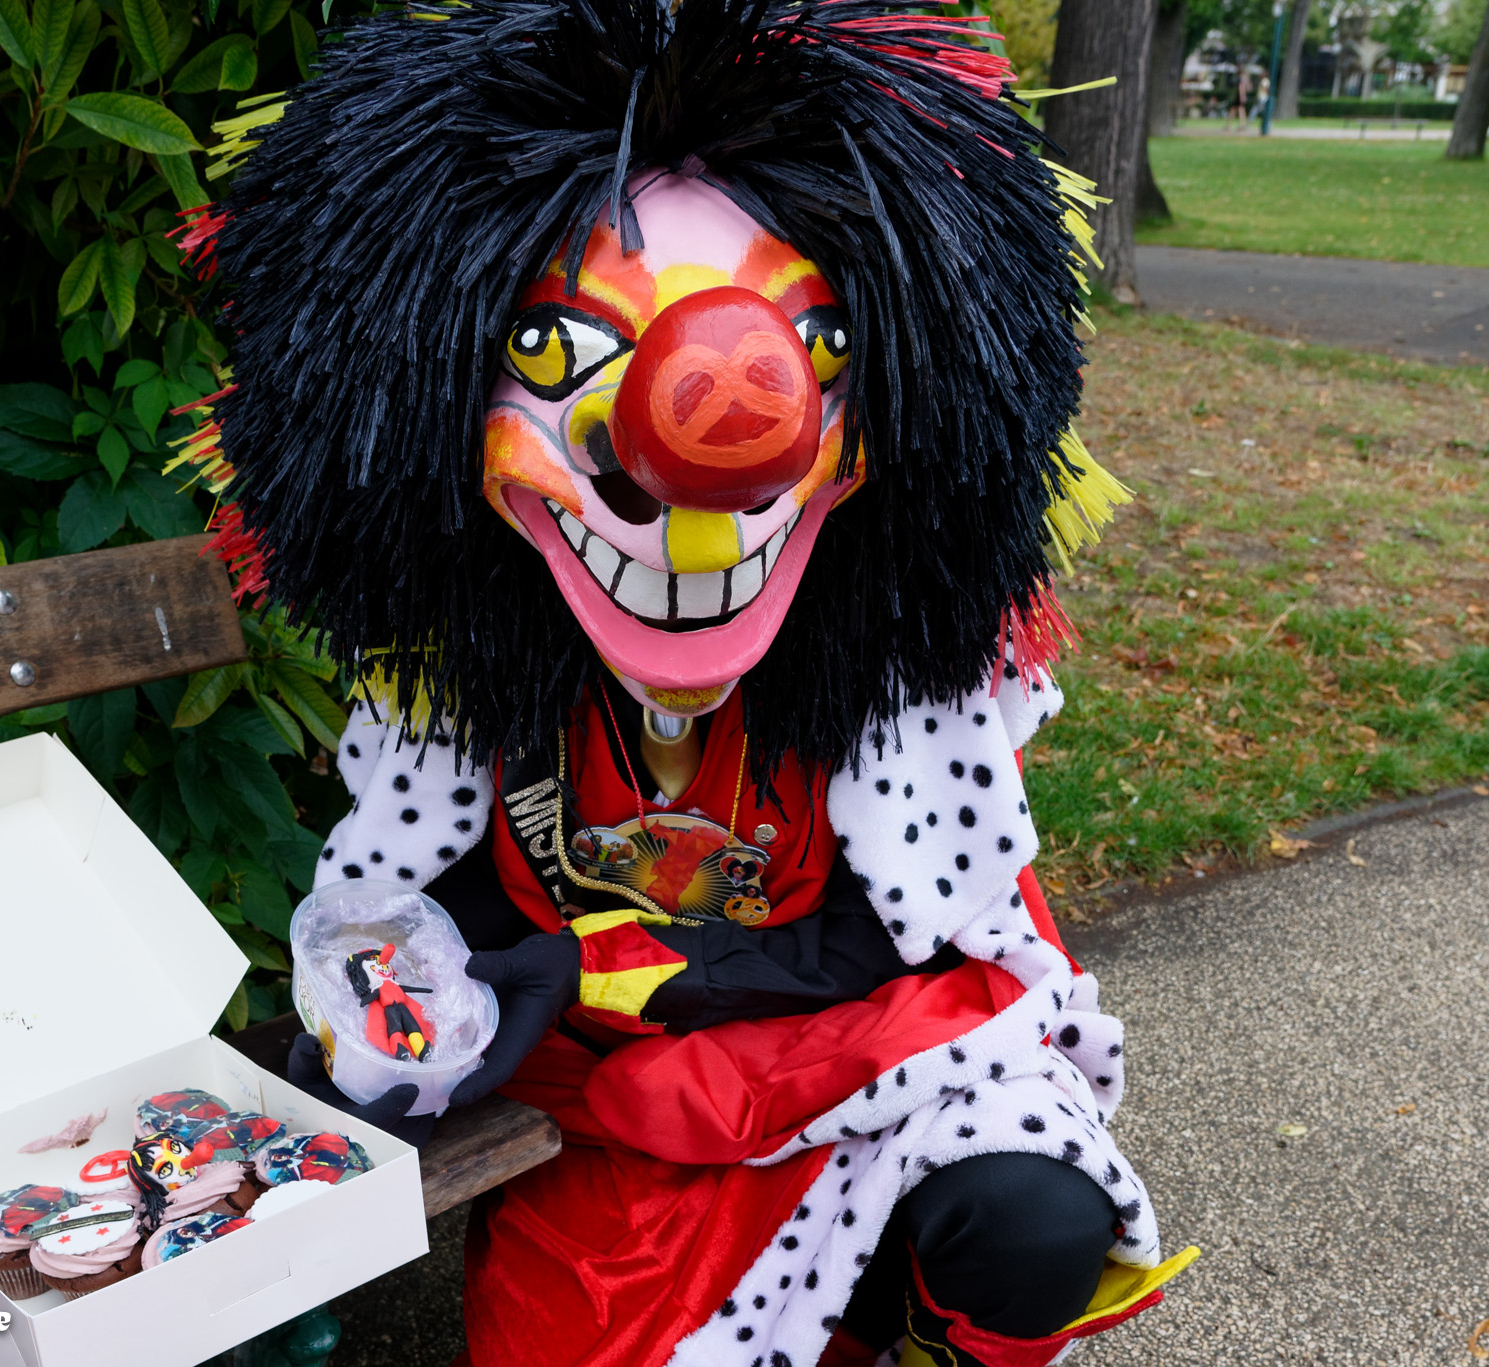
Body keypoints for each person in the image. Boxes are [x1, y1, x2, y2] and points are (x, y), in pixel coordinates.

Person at [182, 2, 1197, 1363]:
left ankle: (906, 1323)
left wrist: (632, 976)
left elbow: (919, 941)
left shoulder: (898, 678)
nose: (707, 436)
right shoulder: (472, 664)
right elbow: (435, 895)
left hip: (847, 1067)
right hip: (591, 1108)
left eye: (814, 345)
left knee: (1028, 1214)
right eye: (551, 350)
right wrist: (426, 998)